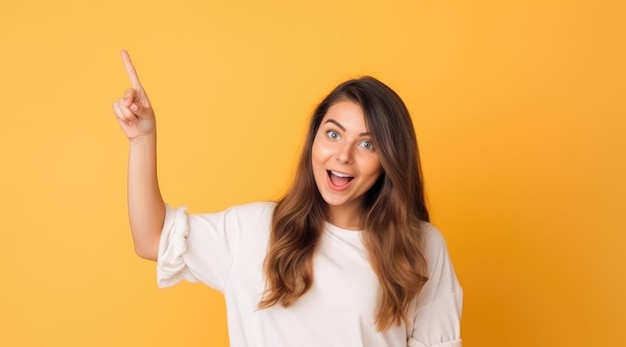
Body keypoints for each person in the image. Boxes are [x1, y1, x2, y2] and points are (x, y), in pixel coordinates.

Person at [112, 50, 463, 347]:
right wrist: (142, 140)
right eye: (333, 134)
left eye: (367, 144)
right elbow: (152, 239)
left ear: (389, 158)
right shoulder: (253, 229)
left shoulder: (421, 247)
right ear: (314, 141)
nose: (343, 155)